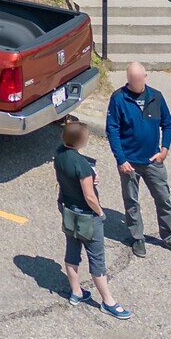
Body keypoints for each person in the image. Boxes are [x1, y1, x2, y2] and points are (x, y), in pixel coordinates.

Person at [105, 61, 171, 258]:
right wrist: (121, 159)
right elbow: (112, 130)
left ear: (145, 77)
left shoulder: (156, 97)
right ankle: (137, 238)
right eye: (131, 80)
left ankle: (169, 237)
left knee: (163, 199)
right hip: (129, 163)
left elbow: (167, 125)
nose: (135, 83)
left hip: (153, 161)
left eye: (138, 79)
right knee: (131, 201)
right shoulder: (118, 99)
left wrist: (164, 150)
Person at [53, 117, 131, 319]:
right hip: (87, 217)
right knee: (97, 260)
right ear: (79, 141)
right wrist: (100, 212)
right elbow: (89, 196)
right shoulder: (82, 165)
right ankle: (108, 302)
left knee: (72, 253)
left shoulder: (59, 154)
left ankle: (76, 292)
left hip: (68, 210)